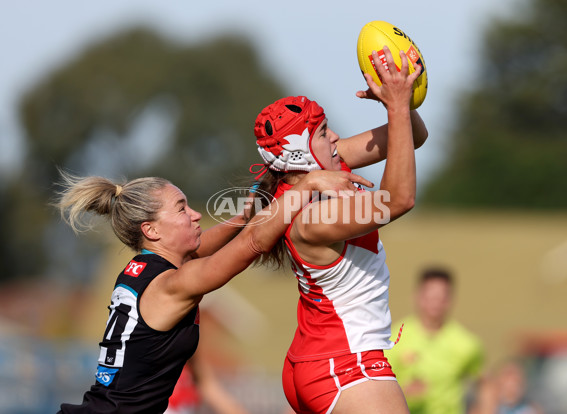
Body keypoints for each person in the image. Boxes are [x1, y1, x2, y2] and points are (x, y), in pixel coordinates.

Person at [55, 168, 372, 413]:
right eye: (181, 209)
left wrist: (248, 213)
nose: (195, 214)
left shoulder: (142, 270)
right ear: (150, 230)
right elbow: (252, 243)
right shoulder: (174, 283)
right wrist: (307, 186)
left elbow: (211, 242)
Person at [248, 47, 428, 414]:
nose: (334, 137)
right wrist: (396, 108)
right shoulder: (312, 218)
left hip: (320, 360)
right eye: (322, 132)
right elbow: (399, 200)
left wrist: (396, 99)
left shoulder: (315, 172)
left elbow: (414, 135)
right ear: (299, 154)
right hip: (344, 363)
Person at [384, 267, 484, 414]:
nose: (435, 303)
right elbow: (377, 385)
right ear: (417, 297)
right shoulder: (394, 338)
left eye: (441, 298)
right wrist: (403, 393)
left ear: (450, 300)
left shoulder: (465, 343)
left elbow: (485, 384)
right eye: (430, 297)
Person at [469, 359, 544, 414]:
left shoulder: (530, 410)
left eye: (517, 379)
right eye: (508, 375)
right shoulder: (484, 407)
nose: (513, 383)